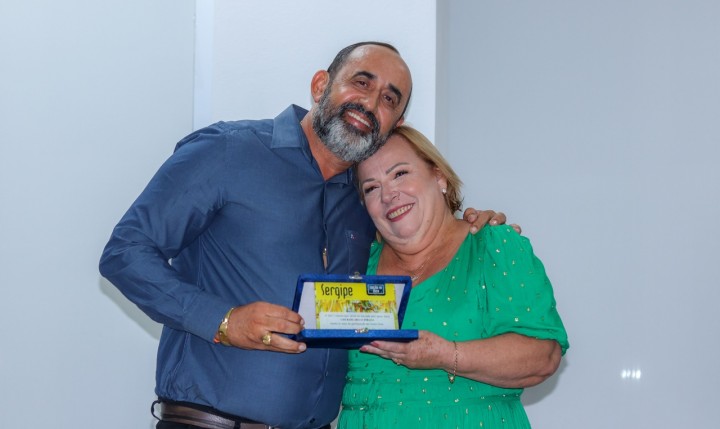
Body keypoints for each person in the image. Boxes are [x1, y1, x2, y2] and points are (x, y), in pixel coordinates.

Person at [99, 41, 509, 429]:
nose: (370, 103)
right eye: (361, 82)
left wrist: (472, 226)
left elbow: (420, 238)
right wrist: (223, 320)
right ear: (320, 85)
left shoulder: (367, 201)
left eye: (389, 99)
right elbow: (125, 252)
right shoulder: (228, 151)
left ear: (395, 125)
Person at [338, 125, 569, 429]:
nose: (388, 195)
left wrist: (445, 354)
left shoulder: (493, 246)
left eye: (400, 174)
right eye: (371, 188)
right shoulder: (354, 267)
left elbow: (544, 356)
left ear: (439, 177)